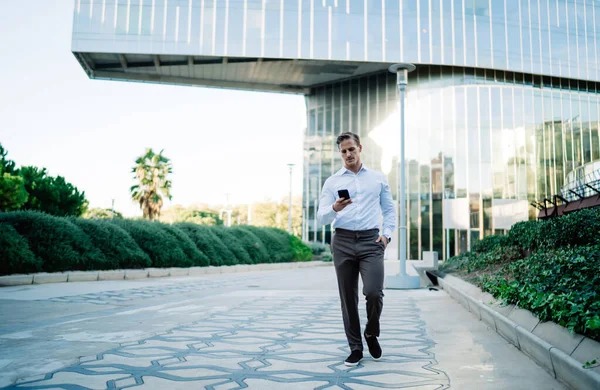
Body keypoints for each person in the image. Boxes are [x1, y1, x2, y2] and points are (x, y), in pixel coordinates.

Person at [317, 131, 396, 367]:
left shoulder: (378, 178)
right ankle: (355, 347)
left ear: (360, 148)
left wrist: (386, 236)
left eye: (351, 149)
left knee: (373, 292)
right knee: (347, 298)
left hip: (371, 241)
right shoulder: (332, 182)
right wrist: (335, 207)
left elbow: (389, 210)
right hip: (342, 241)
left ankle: (371, 332)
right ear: (340, 153)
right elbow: (321, 217)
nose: (348, 154)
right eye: (343, 151)